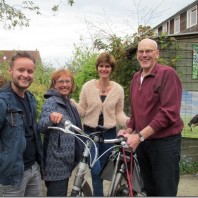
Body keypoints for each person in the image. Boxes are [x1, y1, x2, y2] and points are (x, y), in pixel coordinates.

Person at [119, 38, 184, 196]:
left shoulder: (167, 74)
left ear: (157, 54)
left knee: (165, 191)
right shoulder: (136, 78)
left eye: (148, 51)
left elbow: (168, 113)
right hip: (144, 144)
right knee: (149, 190)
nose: (144, 55)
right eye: (141, 51)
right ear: (137, 55)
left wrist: (139, 136)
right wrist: (128, 129)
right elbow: (135, 112)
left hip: (165, 145)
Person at [71, 52, 129, 196]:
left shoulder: (118, 89)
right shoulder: (87, 86)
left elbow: (118, 113)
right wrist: (71, 103)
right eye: (101, 66)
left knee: (102, 170)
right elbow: (83, 111)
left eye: (107, 66)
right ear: (97, 67)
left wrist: (129, 123)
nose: (104, 69)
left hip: (109, 134)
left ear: (111, 69)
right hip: (90, 133)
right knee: (95, 168)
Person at [0, 52, 43, 196]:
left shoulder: (31, 99)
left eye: (30, 71)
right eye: (21, 70)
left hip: (33, 169)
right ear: (11, 70)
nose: (26, 75)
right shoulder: (2, 102)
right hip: (12, 175)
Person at [38, 69, 83, 196]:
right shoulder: (51, 102)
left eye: (67, 81)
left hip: (66, 162)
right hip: (55, 164)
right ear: (54, 84)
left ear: (72, 83)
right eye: (60, 81)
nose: (64, 85)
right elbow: (41, 126)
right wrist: (50, 118)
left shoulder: (68, 102)